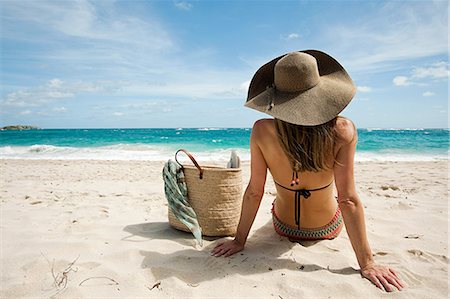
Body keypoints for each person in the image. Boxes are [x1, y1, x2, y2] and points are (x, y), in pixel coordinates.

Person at [211, 50, 404, 292]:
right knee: (336, 200)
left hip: (283, 226)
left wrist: (239, 241)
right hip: (327, 228)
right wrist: (367, 263)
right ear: (322, 92)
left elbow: (254, 192)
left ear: (276, 97)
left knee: (277, 202)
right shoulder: (343, 130)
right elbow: (348, 200)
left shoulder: (261, 130)